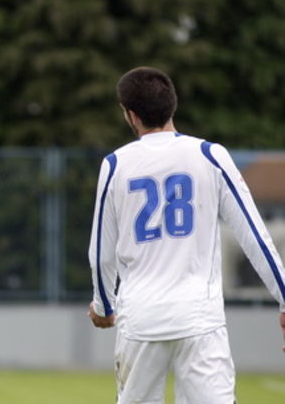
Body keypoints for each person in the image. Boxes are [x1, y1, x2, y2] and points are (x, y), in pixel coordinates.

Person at [87, 66, 285, 403]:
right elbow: (254, 236)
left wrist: (104, 305)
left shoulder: (115, 165)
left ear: (131, 115)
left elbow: (102, 253)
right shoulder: (210, 155)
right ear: (172, 105)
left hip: (140, 322)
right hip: (199, 320)